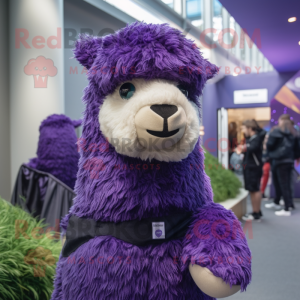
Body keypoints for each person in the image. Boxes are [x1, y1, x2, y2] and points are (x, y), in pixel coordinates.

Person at [265, 115, 300, 216]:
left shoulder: (276, 131)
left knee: (282, 184)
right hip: (289, 161)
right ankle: (287, 204)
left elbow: (269, 145)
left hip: (279, 161)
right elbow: (297, 149)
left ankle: (286, 208)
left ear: (281, 120)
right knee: (287, 184)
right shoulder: (294, 132)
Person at [241, 119, 266, 221]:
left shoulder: (256, 138)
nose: (243, 130)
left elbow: (252, 148)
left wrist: (244, 147)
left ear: (250, 128)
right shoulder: (251, 138)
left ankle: (256, 213)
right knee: (252, 189)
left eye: (244, 128)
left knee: (255, 189)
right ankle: (256, 211)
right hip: (251, 167)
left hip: (254, 168)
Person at [260, 134, 271, 200]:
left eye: (267, 138)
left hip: (267, 163)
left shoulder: (270, 145)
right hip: (260, 163)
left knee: (265, 177)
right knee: (262, 178)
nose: (266, 139)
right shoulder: (260, 145)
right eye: (265, 138)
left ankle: (262, 192)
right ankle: (261, 192)